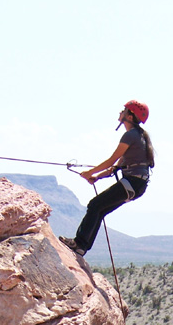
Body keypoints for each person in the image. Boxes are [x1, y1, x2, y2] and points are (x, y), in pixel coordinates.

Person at [59, 101, 154, 257]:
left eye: (123, 111)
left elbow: (111, 160)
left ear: (129, 116)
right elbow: (114, 167)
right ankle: (81, 247)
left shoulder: (130, 136)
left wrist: (90, 172)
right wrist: (96, 177)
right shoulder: (139, 136)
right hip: (137, 185)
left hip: (132, 182)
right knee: (100, 209)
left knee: (95, 205)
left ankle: (79, 243)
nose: (120, 113)